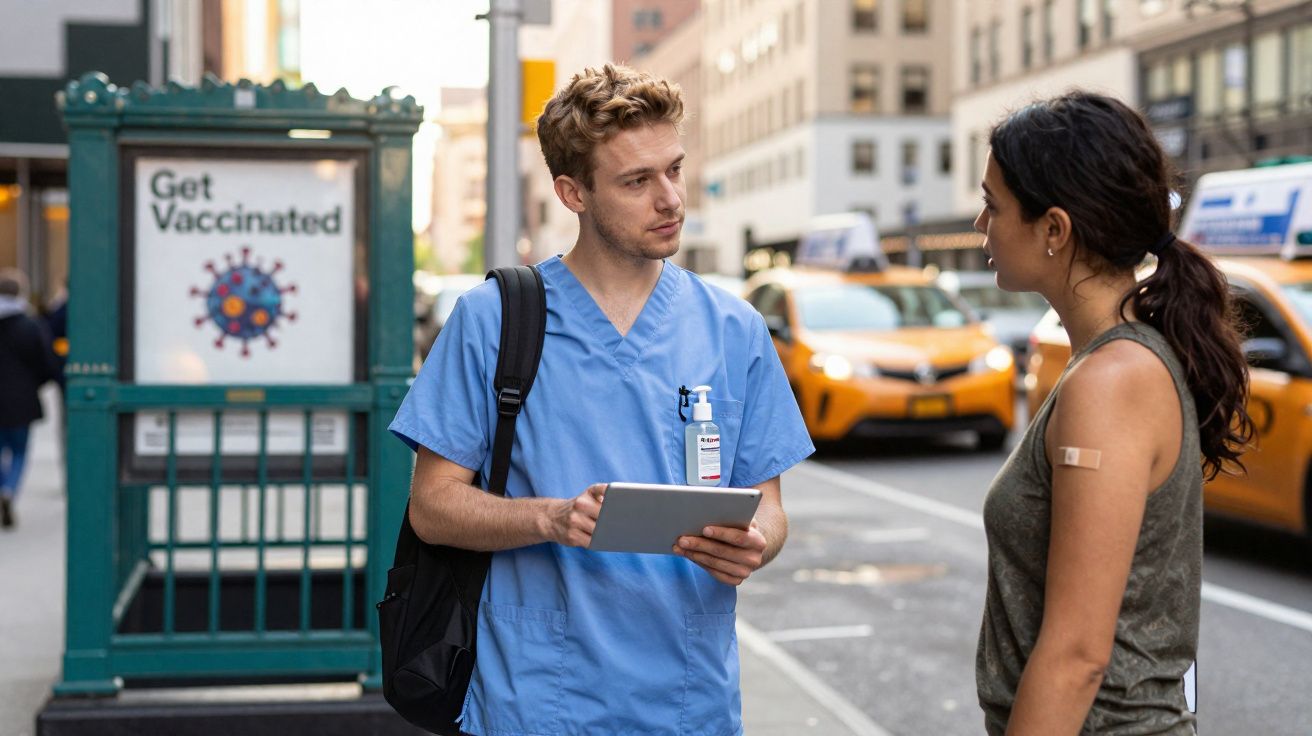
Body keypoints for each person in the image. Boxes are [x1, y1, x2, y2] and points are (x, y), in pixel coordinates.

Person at [389, 64, 814, 736]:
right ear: (573, 192)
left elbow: (770, 505)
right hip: (534, 702)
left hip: (689, 703)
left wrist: (755, 544)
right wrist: (552, 518)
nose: (670, 199)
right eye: (637, 181)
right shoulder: (492, 321)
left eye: (675, 170)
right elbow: (433, 508)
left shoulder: (735, 330)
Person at [972, 92, 1254, 735]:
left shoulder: (1112, 381)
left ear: (1055, 229)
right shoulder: (1111, 365)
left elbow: (1077, 658)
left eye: (994, 204)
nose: (981, 222)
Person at [0, 268, 59, 529]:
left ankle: (2, 486)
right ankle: (9, 490)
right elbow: (46, 362)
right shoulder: (31, 326)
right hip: (21, 400)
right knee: (19, 451)